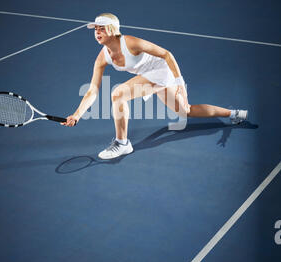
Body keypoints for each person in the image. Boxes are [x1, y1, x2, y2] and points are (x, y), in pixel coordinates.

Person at [62, 13, 248, 159]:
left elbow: (167, 54)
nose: (97, 33)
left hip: (163, 71)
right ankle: (234, 114)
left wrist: (179, 82)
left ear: (112, 29)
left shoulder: (131, 42)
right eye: (95, 29)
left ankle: (122, 143)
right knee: (185, 111)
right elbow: (93, 90)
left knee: (118, 94)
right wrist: (77, 114)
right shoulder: (103, 57)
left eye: (101, 29)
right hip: (148, 75)